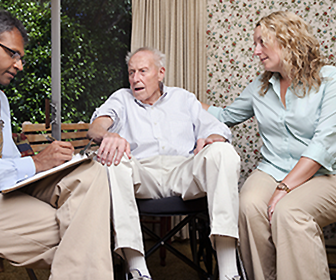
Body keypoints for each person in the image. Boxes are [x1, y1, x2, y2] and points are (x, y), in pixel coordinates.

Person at [0, 9, 113, 280]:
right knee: (83, 229)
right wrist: (35, 163)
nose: (19, 65)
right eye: (13, 53)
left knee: (91, 173)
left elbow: (11, 164)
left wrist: (53, 164)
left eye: (21, 57)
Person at [202, 11, 336, 280]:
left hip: (328, 176)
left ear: (287, 39)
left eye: (262, 42)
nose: (255, 51)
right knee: (248, 205)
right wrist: (176, 100)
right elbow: (224, 116)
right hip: (273, 170)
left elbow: (323, 146)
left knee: (289, 211)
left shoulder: (334, 80)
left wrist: (283, 189)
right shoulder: (259, 88)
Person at [88, 47, 242, 280]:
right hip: (142, 175)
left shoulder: (184, 98)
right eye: (131, 73)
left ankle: (230, 272)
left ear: (160, 73)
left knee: (223, 151)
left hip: (183, 172)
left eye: (142, 71)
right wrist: (107, 135)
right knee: (113, 160)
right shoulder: (122, 98)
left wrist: (213, 139)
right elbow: (96, 126)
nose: (135, 79)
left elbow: (216, 129)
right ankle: (137, 268)